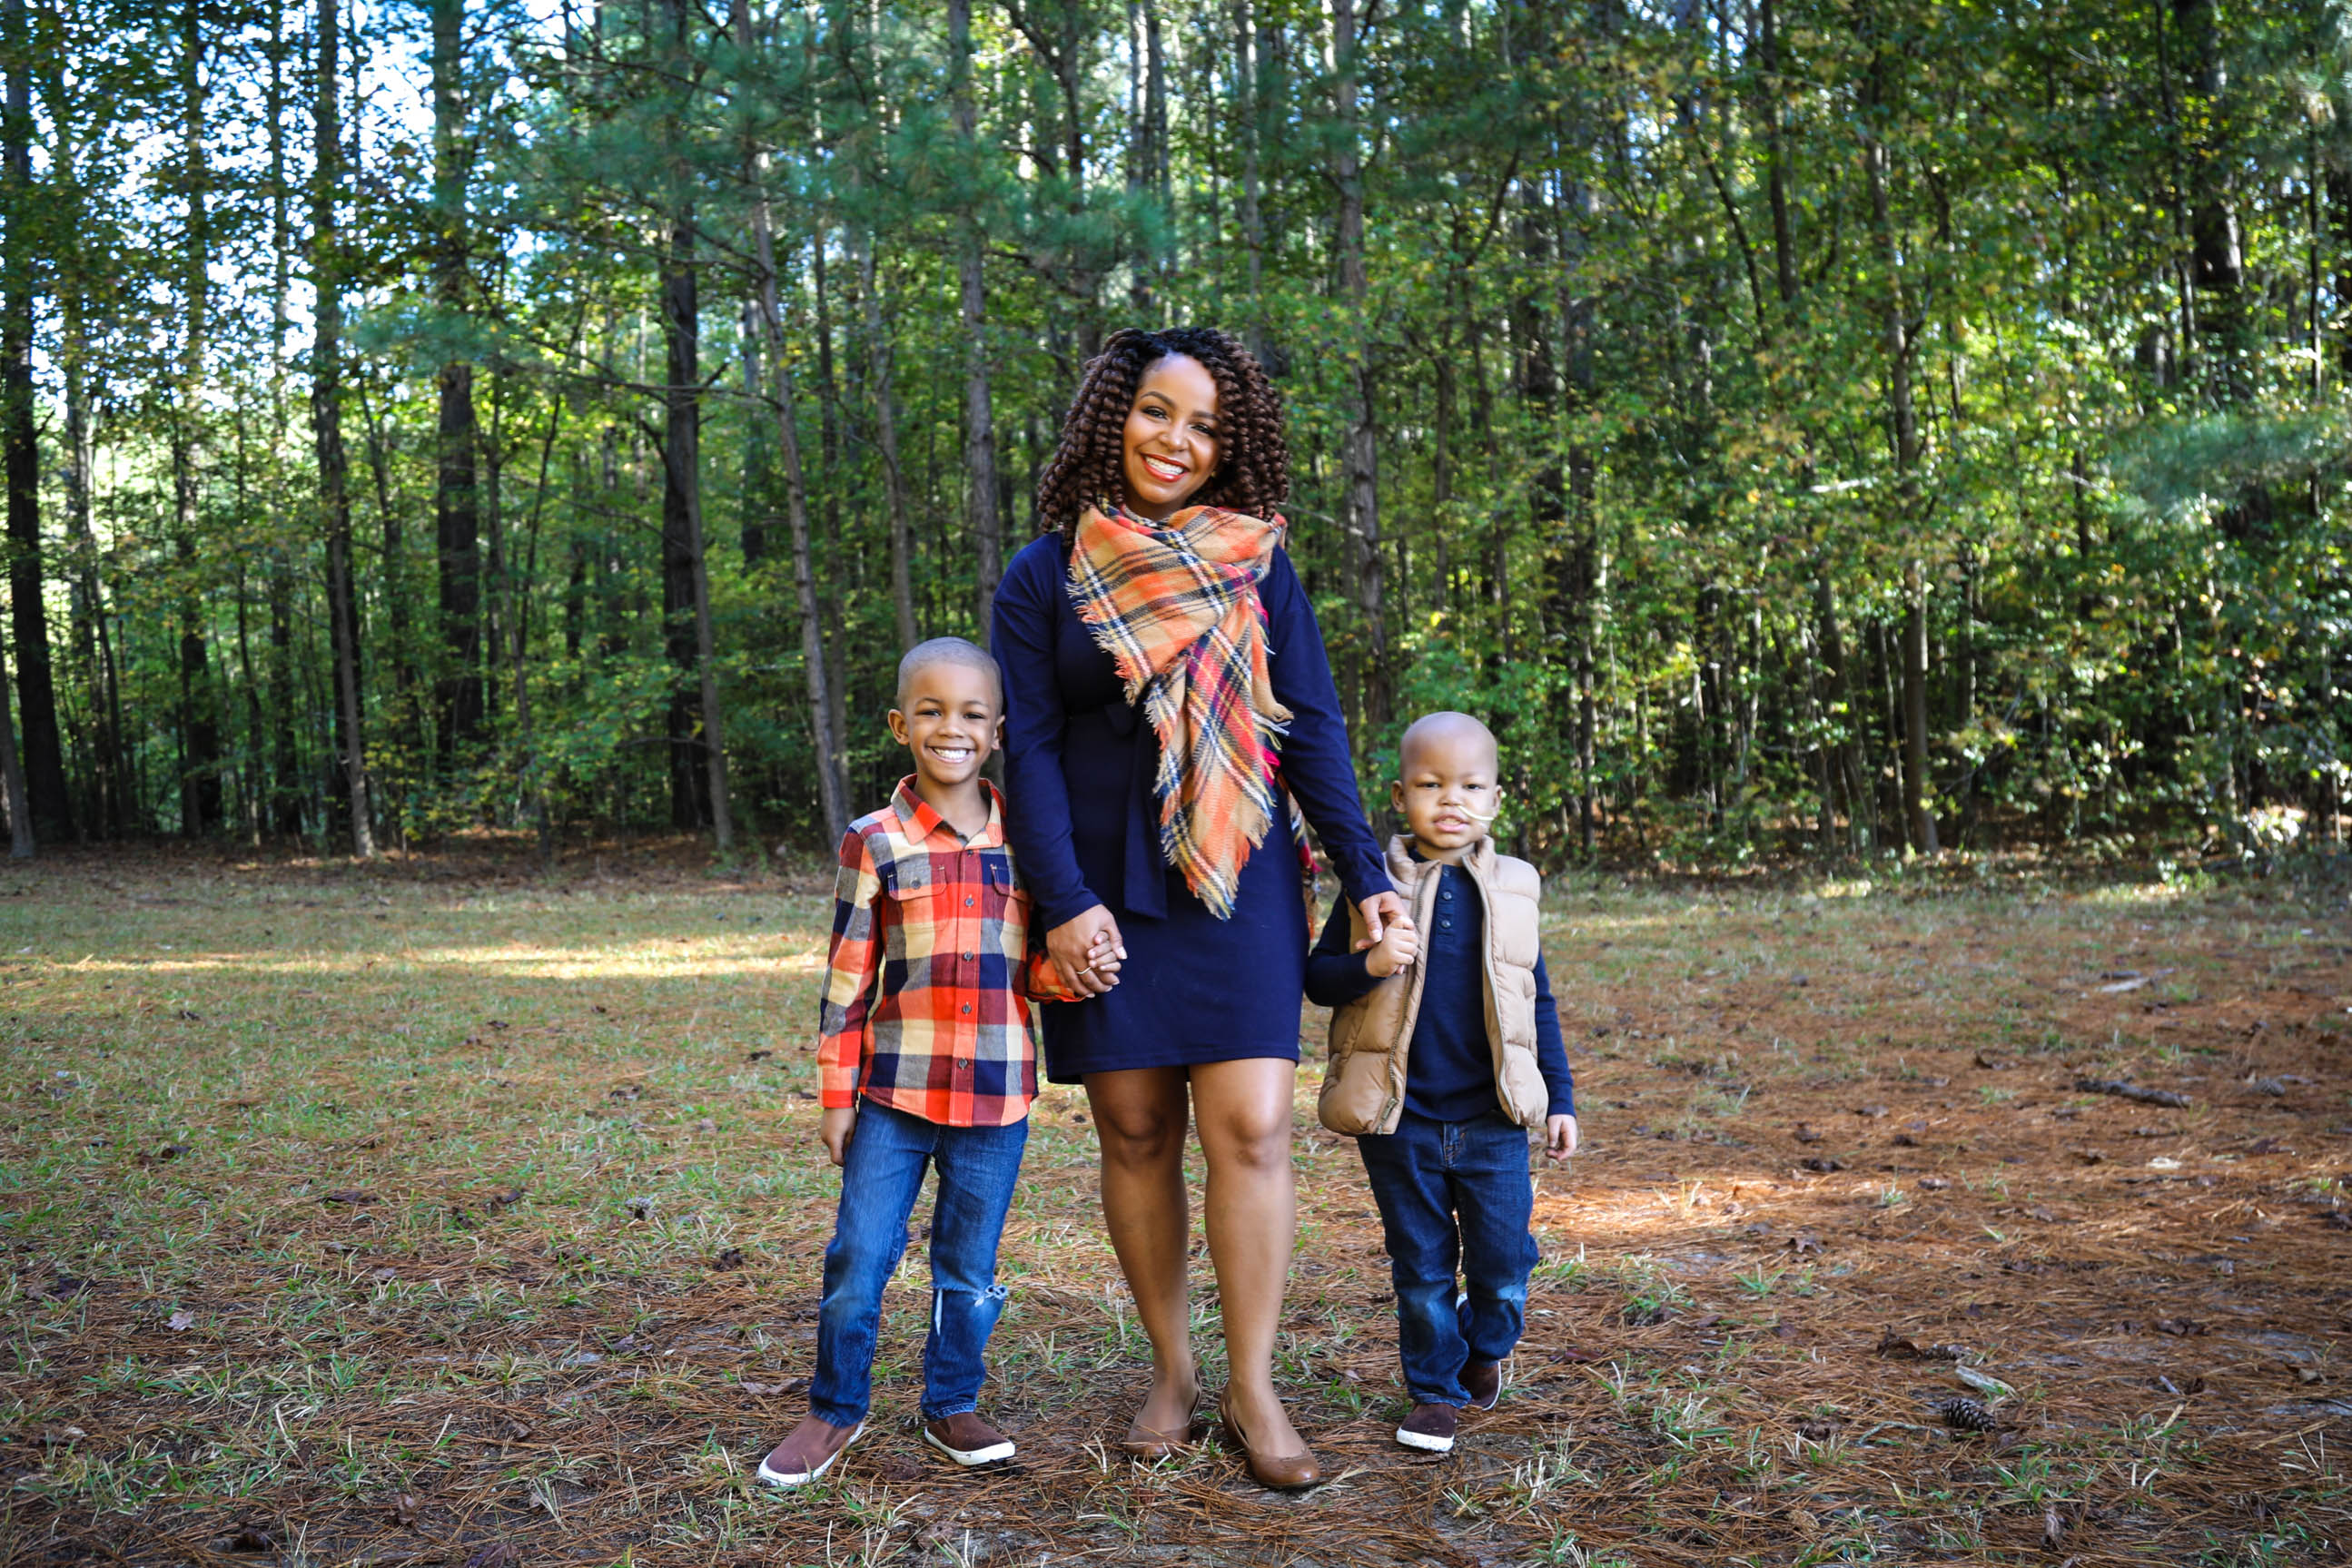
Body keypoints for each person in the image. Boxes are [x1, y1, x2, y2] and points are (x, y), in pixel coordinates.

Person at [992, 327, 1408, 1490]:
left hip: (1237, 879)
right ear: (1110, 416)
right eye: (1157, 411)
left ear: (1234, 447)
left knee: (1255, 1129)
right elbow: (1024, 748)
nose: (1177, 440)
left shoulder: (1257, 564)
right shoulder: (1044, 575)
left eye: (1206, 424)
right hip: (1099, 890)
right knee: (1134, 1130)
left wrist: (1365, 868)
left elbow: (1311, 724)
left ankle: (1253, 1383)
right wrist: (1063, 901)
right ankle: (1172, 1368)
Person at [755, 637, 1118, 1487]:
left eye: (970, 713)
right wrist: (835, 1095)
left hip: (996, 1100)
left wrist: (1070, 977)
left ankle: (950, 1399)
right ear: (899, 724)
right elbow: (847, 977)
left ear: (997, 731)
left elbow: (1028, 969)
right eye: (930, 710)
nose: (950, 727)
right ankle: (833, 1407)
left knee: (970, 1267)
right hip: (892, 1095)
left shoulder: (1030, 844)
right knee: (859, 1255)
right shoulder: (872, 841)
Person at [1306, 711, 1577, 1455]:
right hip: (1403, 1117)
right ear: (1401, 795)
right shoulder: (1374, 886)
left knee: (1501, 1261)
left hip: (1493, 1118)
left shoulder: (1517, 888)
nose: (1450, 799)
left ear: (1495, 798)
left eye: (1469, 785)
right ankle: (1433, 1389)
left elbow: (1534, 1003)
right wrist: (1370, 961)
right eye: (1430, 784)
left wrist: (1560, 1098)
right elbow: (1318, 978)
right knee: (1421, 1264)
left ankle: (1486, 1344)